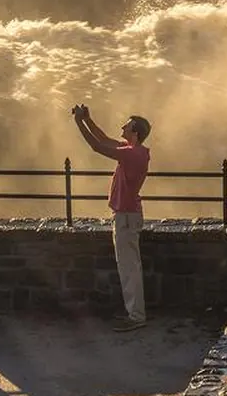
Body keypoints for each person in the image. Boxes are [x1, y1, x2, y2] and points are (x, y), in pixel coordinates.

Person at [71, 104, 151, 332]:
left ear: (134, 131)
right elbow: (103, 138)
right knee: (130, 267)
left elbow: (97, 146)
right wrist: (88, 118)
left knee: (129, 269)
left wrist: (78, 122)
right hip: (128, 215)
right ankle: (135, 313)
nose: (121, 128)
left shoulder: (130, 154)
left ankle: (136, 316)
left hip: (125, 217)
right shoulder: (136, 151)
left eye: (126, 125)